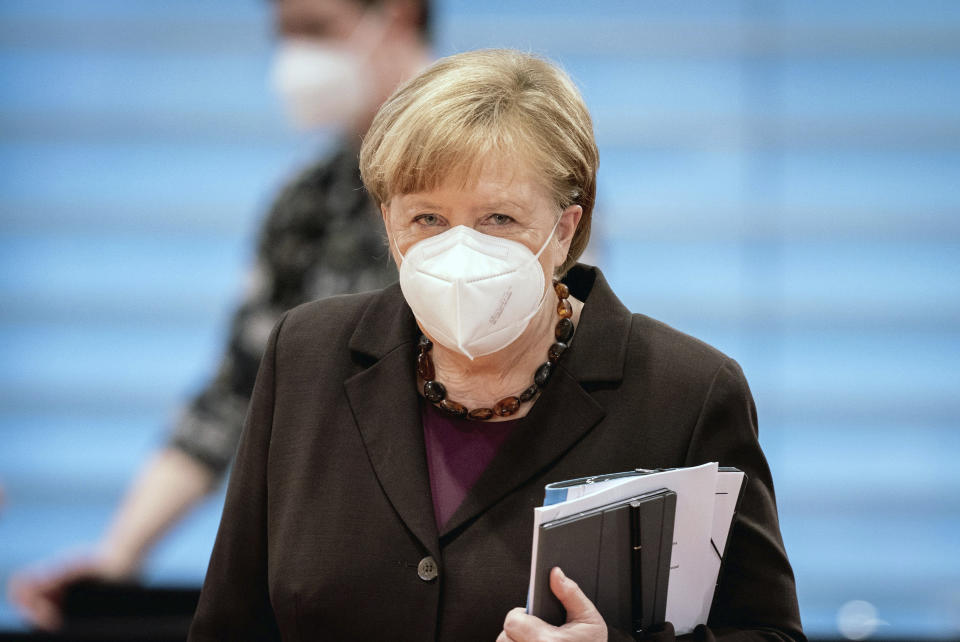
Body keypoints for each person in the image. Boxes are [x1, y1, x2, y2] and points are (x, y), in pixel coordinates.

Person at [187, 49, 804, 642]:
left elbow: (768, 632)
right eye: (427, 218)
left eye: (499, 219)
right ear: (386, 221)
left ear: (566, 229)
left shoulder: (684, 393)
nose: (460, 251)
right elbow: (231, 625)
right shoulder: (307, 355)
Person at [7, 0, 432, 631]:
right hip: (324, 590)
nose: (296, 61)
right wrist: (116, 561)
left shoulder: (512, 185)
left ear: (396, 18)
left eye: (315, 32)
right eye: (284, 37)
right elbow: (236, 392)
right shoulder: (307, 203)